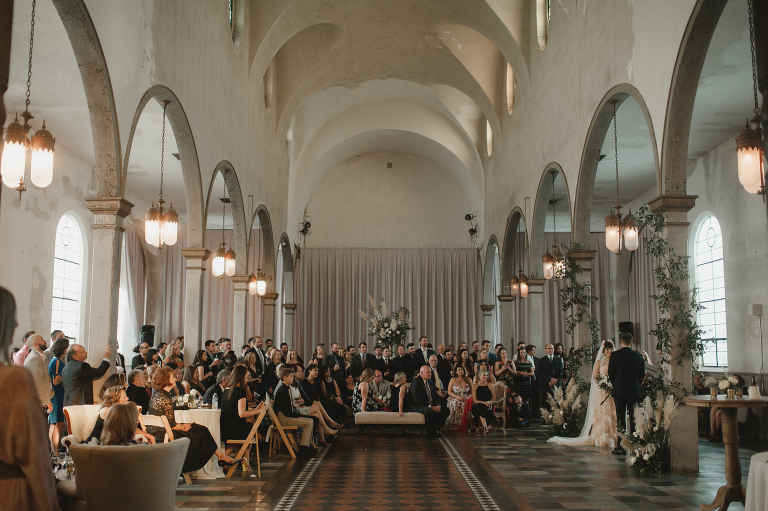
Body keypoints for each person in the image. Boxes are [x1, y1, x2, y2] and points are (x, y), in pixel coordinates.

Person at [147, 366, 240, 471]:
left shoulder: (157, 395)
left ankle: (221, 456)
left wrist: (183, 425)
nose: (175, 379)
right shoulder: (165, 397)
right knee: (202, 430)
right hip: (164, 433)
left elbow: (168, 420)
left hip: (157, 430)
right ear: (166, 379)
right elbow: (171, 425)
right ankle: (221, 457)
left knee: (197, 428)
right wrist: (183, 428)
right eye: (172, 377)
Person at [550, 340, 617, 448]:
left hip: (613, 391)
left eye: (611, 349)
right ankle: (602, 437)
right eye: (607, 349)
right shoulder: (599, 362)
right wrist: (605, 384)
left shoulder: (615, 361)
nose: (609, 351)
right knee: (603, 412)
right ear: (603, 351)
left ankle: (614, 436)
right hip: (602, 391)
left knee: (613, 413)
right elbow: (595, 377)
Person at [608, 333, 645, 455]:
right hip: (634, 390)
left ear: (620, 342)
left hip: (619, 390)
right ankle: (634, 445)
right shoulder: (638, 356)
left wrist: (617, 384)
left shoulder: (615, 355)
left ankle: (621, 446)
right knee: (634, 418)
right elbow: (641, 375)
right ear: (632, 342)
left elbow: (611, 374)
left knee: (620, 418)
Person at [220, 365, 264, 459]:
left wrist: (256, 410)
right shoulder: (240, 391)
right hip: (234, 431)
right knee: (250, 429)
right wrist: (259, 411)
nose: (248, 379)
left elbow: (234, 410)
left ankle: (236, 457)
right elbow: (242, 413)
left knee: (248, 427)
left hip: (224, 429)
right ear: (241, 376)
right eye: (247, 376)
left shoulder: (226, 390)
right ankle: (241, 458)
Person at [273, 367, 317, 458]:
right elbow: (286, 410)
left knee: (311, 420)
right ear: (285, 378)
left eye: (293, 376)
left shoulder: (286, 389)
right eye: (291, 376)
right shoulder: (282, 391)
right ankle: (303, 448)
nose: (293, 378)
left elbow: (289, 408)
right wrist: (297, 416)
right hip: (283, 418)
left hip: (286, 416)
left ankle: (306, 446)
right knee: (308, 422)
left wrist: (298, 415)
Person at [86, 385, 153, 444]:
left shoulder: (118, 411)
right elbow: (127, 428)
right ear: (115, 400)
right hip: (97, 443)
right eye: (124, 397)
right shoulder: (106, 410)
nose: (127, 398)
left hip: (112, 443)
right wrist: (149, 436)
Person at [409, 365, 449, 437]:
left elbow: (435, 394)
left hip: (429, 404)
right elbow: (417, 399)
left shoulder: (430, 381)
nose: (430, 374)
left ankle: (436, 428)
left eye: (431, 372)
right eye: (428, 372)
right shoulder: (415, 382)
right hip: (417, 405)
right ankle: (431, 431)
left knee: (445, 410)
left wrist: (439, 404)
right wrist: (431, 407)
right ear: (421, 373)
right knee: (428, 410)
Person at [47, 337, 69, 454]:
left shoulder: (54, 360)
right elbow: (56, 380)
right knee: (59, 424)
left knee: (53, 423)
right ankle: (55, 451)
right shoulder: (57, 362)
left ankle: (52, 450)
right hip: (58, 394)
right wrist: (66, 374)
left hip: (56, 394)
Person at [24, 334, 53, 416]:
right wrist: (46, 402)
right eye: (42, 339)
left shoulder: (36, 356)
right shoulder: (35, 358)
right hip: (38, 403)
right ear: (35, 343)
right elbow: (37, 382)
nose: (45, 341)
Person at [445, 365, 472, 431]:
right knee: (456, 403)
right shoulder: (453, 379)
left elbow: (471, 392)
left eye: (461, 369)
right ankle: (455, 424)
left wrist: (467, 397)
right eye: (459, 370)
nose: (460, 371)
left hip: (466, 397)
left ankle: (464, 425)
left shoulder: (468, 379)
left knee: (465, 403)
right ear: (456, 372)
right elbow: (449, 392)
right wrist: (458, 397)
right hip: (455, 396)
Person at [539, 343, 564, 408]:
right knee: (547, 404)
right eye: (549, 348)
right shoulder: (541, 360)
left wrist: (554, 381)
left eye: (552, 348)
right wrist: (550, 379)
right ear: (546, 350)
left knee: (558, 404)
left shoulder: (559, 359)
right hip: (546, 384)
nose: (550, 350)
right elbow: (541, 372)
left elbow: (561, 372)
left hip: (557, 384)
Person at [471, 370, 496, 435]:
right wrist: (483, 403)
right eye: (484, 375)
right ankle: (485, 427)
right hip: (478, 404)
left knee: (479, 409)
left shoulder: (490, 385)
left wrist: (489, 402)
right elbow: (475, 400)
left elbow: (494, 398)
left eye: (487, 375)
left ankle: (478, 429)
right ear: (479, 376)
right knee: (479, 407)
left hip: (487, 405)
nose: (486, 377)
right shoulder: (474, 385)